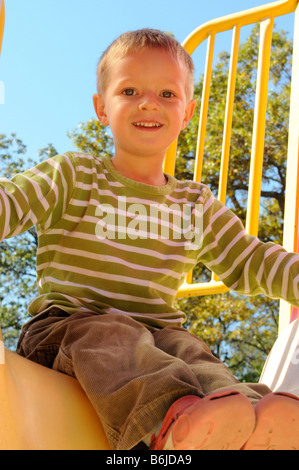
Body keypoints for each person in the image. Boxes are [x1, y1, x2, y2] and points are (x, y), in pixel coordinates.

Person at [1, 28, 299, 450]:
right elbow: (10, 203)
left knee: (195, 356)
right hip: (69, 327)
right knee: (115, 337)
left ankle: (254, 424)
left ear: (188, 111)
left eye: (166, 94)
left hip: (158, 333)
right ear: (102, 108)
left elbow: (252, 260)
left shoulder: (194, 203)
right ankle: (174, 423)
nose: (148, 102)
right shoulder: (74, 175)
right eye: (129, 90)